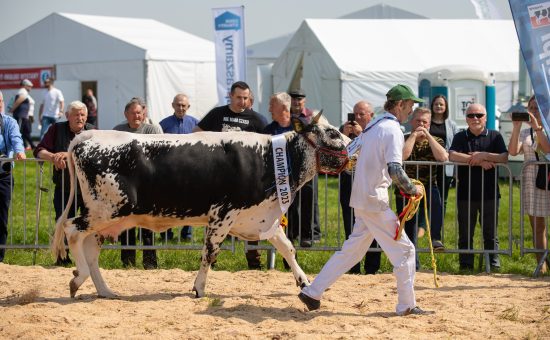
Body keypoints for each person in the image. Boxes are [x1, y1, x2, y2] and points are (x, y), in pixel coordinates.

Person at [298, 84, 428, 316]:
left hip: (361, 197)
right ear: (400, 105)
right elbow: (395, 169)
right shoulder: (392, 130)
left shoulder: (372, 127)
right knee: (406, 251)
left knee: (352, 252)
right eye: (410, 106)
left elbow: (349, 156)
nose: (411, 111)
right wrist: (412, 189)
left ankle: (312, 292)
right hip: (375, 199)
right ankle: (407, 305)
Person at [193, 81, 266, 270]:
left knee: (251, 221)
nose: (243, 101)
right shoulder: (217, 114)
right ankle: (211, 261)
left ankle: (254, 262)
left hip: (248, 183)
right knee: (216, 220)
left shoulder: (257, 120)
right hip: (219, 181)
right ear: (230, 96)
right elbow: (196, 135)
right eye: (239, 97)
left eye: (246, 98)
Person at [449, 103, 508, 271]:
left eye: (479, 115)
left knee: (490, 231)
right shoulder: (460, 136)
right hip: (465, 193)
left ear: (486, 117)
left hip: (489, 193)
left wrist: (484, 155)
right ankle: (466, 266)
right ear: (466, 119)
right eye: (471, 115)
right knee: (465, 232)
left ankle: (492, 264)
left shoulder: (495, 136)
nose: (475, 118)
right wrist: (480, 162)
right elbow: (452, 155)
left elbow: (503, 157)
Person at [34, 101, 94, 265]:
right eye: (76, 114)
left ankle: (88, 260)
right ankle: (62, 258)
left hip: (88, 190)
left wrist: (68, 155)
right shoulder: (56, 129)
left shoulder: (92, 131)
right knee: (63, 223)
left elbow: (94, 157)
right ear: (67, 116)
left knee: (89, 225)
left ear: (86, 116)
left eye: (82, 115)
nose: (79, 118)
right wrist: (53, 157)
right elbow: (39, 150)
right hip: (64, 187)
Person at [113, 98, 163, 269]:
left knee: (147, 222)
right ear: (126, 114)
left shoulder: (153, 130)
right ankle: (127, 262)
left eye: (139, 113)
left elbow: (161, 155)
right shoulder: (118, 130)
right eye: (133, 113)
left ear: (144, 113)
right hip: (126, 184)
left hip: (148, 184)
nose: (137, 116)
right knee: (126, 222)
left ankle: (150, 263)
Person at [508, 95, 550, 274]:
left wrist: (537, 128)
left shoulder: (547, 130)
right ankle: (541, 265)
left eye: (537, 107)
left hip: (547, 180)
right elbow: (512, 151)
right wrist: (516, 127)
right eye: (531, 107)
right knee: (537, 226)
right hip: (532, 181)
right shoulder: (525, 133)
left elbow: (547, 149)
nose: (533, 111)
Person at [338, 100, 377, 274]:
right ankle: (352, 267)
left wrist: (362, 135)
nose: (358, 118)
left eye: (362, 114)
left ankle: (372, 266)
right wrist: (342, 135)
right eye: (355, 114)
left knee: (374, 227)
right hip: (349, 185)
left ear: (371, 116)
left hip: (371, 186)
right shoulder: (345, 131)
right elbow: (336, 155)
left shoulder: (377, 130)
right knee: (350, 227)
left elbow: (376, 152)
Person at [159, 93, 198, 241]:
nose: (181, 108)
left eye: (183, 105)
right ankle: (166, 233)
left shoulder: (196, 124)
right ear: (173, 105)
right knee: (166, 202)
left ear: (188, 106)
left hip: (190, 171)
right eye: (178, 105)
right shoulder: (163, 125)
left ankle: (186, 234)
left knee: (190, 202)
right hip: (168, 171)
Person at [288, 89, 320, 246]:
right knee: (290, 203)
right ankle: (292, 232)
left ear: (304, 101)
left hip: (308, 166)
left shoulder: (312, 117)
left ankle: (310, 234)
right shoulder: (286, 117)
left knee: (310, 201)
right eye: (293, 100)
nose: (296, 103)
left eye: (299, 100)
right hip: (289, 167)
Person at [0, 90, 26, 262]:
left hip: (3, 173)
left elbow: (16, 138)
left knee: (1, 217)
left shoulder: (8, 122)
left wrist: (19, 151)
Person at [429, 95, 460, 213]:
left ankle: (439, 223)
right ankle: (425, 224)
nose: (438, 106)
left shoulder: (452, 125)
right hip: (428, 164)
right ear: (432, 106)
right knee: (428, 195)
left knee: (443, 197)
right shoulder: (427, 122)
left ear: (446, 107)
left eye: (441, 104)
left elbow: (456, 144)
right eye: (436, 104)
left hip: (445, 165)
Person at [9, 79, 35, 150]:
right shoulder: (22, 91)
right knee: (20, 131)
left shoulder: (24, 92)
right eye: (29, 86)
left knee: (25, 132)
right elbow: (21, 99)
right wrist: (12, 109)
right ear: (24, 85)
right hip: (21, 115)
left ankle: (27, 145)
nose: (30, 88)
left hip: (24, 116)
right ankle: (21, 146)